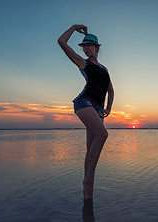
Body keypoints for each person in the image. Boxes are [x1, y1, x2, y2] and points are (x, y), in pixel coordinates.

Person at [58, 24, 114, 200]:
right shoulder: (83, 63)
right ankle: (89, 181)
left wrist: (108, 109)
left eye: (89, 45)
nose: (86, 48)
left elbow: (110, 91)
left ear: (97, 48)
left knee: (90, 149)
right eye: (84, 46)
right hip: (84, 103)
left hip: (98, 108)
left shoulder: (104, 69)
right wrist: (74, 27)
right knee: (103, 135)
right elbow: (61, 41)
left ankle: (87, 191)